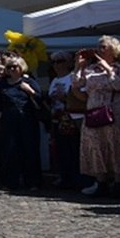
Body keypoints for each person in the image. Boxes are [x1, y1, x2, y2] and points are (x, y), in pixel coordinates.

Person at [75, 36, 120, 196]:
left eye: (103, 47)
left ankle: (119, 182)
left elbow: (119, 85)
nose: (99, 50)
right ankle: (101, 182)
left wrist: (108, 69)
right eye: (98, 47)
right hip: (94, 111)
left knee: (115, 145)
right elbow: (77, 84)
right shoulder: (91, 70)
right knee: (96, 145)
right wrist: (79, 66)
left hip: (115, 110)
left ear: (114, 50)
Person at [0, 53, 42, 191]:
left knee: (29, 150)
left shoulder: (29, 81)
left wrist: (30, 91)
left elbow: (39, 98)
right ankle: (11, 180)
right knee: (10, 150)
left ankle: (32, 181)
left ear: (21, 67)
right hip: (9, 120)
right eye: (9, 67)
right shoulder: (3, 84)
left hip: (26, 119)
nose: (12, 69)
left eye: (15, 66)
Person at [46, 51, 86, 191]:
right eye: (54, 62)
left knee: (73, 149)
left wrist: (64, 98)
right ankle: (65, 177)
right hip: (57, 118)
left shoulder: (71, 77)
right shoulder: (55, 80)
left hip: (71, 117)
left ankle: (76, 178)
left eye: (60, 61)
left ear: (68, 63)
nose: (57, 65)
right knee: (61, 150)